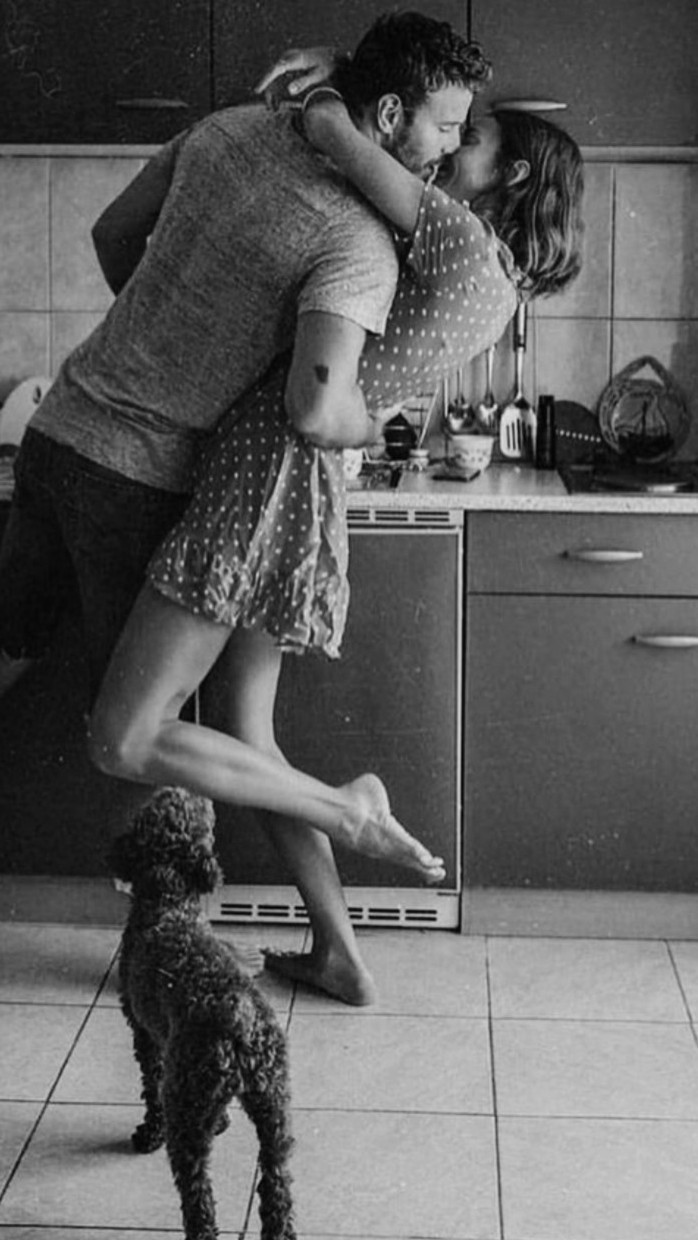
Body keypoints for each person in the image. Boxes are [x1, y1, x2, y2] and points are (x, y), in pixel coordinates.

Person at [0, 13, 489, 1001]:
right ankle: (163, 952)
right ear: (387, 115)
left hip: (60, 431)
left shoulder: (227, 127)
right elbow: (316, 405)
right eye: (442, 125)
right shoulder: (359, 240)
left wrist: (172, 333)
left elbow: (112, 235)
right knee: (145, 740)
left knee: (17, 650)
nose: (445, 149)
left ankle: (303, 941)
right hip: (139, 477)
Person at [87, 73, 584, 1004]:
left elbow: (331, 133)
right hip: (298, 476)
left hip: (260, 466)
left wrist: (325, 88)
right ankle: (340, 950)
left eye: (468, 136)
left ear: (511, 173)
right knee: (248, 734)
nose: (449, 146)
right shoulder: (495, 287)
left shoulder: (456, 235)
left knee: (126, 736)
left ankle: (348, 813)